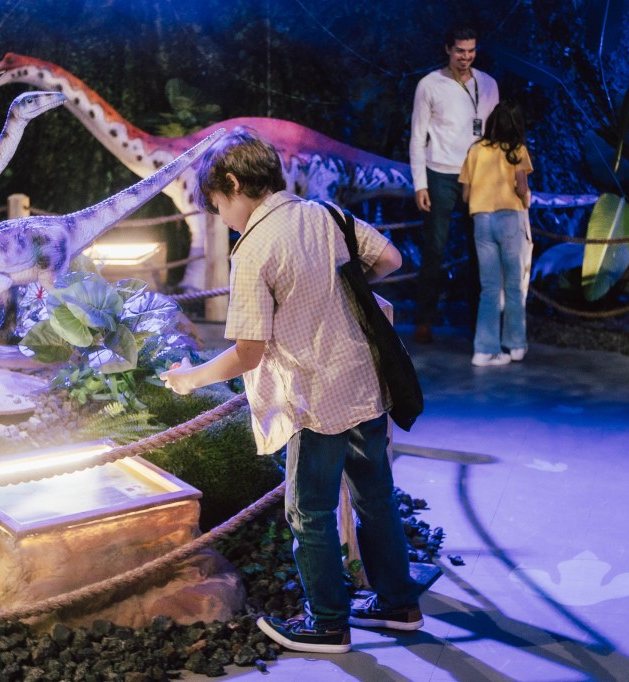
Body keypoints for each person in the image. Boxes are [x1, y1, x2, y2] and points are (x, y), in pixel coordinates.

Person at [161, 129, 422, 654]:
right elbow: (391, 259)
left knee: (309, 511)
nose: (223, 218)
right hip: (365, 383)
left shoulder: (254, 248)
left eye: (218, 204)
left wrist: (190, 377)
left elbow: (249, 351)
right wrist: (333, 289)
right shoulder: (326, 214)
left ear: (233, 184)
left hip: (312, 397)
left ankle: (327, 622)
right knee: (375, 496)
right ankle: (398, 604)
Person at [409, 25, 499, 344]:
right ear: (448, 49)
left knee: (481, 249)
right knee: (434, 248)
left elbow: (491, 136)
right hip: (440, 174)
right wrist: (420, 184)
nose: (466, 57)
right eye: (460, 50)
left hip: (477, 176)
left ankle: (482, 321)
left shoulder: (488, 84)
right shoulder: (429, 85)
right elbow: (418, 136)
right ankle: (424, 320)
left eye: (471, 50)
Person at [459, 99, 533, 367]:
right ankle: (515, 346)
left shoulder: (476, 149)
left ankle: (484, 350)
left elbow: (466, 193)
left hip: (481, 220)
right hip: (509, 218)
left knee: (489, 287)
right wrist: (525, 204)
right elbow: (522, 188)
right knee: (513, 285)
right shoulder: (518, 150)